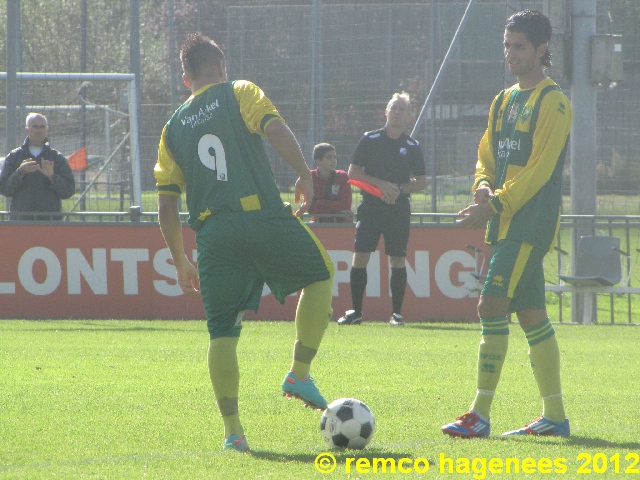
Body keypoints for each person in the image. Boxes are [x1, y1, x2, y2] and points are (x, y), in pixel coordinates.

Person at [154, 33, 334, 453]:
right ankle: (299, 373)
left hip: (212, 234)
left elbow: (166, 202)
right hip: (261, 215)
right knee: (322, 273)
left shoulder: (172, 128)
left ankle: (234, 433)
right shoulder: (239, 92)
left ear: (186, 78)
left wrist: (179, 259)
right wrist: (305, 173)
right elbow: (275, 130)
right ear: (220, 66)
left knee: (221, 332)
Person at [441, 10, 572, 438]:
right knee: (532, 315)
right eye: (507, 46)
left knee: (490, 304)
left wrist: (494, 204)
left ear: (542, 49)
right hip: (504, 219)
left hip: (528, 224)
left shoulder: (553, 101)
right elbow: (487, 155)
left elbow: (537, 171)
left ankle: (479, 414)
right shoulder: (503, 100)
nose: (510, 54)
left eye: (519, 47)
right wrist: (482, 185)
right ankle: (554, 416)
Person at [337, 92, 427, 327]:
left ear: (409, 115)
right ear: (386, 111)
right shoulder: (370, 139)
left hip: (397, 209)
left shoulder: (412, 146)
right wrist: (380, 185)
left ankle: (396, 314)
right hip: (370, 207)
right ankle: (356, 312)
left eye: (402, 109)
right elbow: (353, 173)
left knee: (397, 259)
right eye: (394, 108)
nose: (397, 113)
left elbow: (421, 181)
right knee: (360, 256)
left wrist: (398, 189)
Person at [0, 113, 75, 220]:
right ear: (27, 130)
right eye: (35, 126)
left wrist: (52, 176)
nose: (39, 130)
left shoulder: (56, 158)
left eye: (42, 127)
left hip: (50, 222)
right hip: (21, 222)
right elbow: (4, 189)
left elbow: (68, 191)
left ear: (47, 130)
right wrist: (20, 172)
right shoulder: (15, 157)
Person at [295, 143, 352, 222]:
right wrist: (335, 207)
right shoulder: (310, 177)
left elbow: (345, 206)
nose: (334, 161)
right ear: (318, 162)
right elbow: (311, 208)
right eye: (329, 157)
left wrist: (320, 202)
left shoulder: (342, 177)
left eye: (335, 157)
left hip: (341, 224)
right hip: (318, 223)